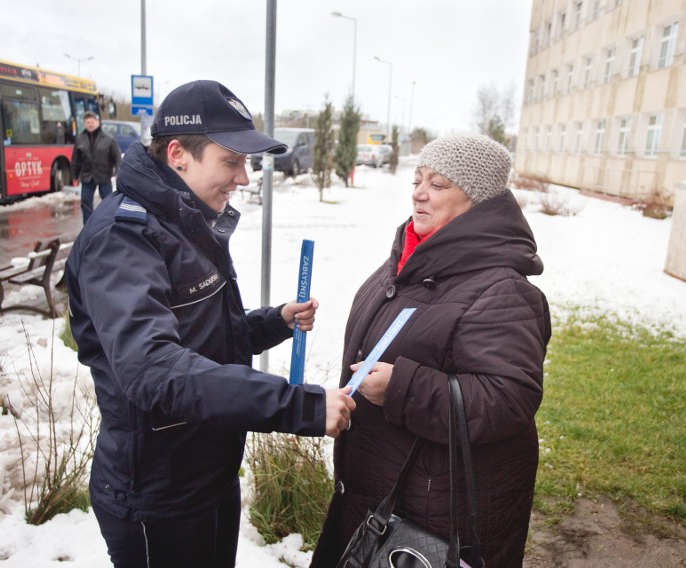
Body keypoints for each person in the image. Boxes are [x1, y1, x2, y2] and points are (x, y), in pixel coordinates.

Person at [65, 80, 356, 568]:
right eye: (231, 161)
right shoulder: (122, 238)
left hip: (207, 477)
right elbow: (154, 368)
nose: (244, 178)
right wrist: (297, 407)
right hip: (159, 497)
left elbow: (198, 335)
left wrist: (271, 322)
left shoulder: (182, 220)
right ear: (178, 153)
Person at [311, 134, 552, 567]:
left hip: (431, 516)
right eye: (418, 179)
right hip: (378, 492)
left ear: (476, 199)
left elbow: (509, 398)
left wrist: (401, 387)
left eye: (439, 185)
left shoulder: (503, 290)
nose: (419, 193)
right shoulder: (409, 262)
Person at [70, 110, 122, 224]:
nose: (90, 124)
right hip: (87, 176)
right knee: (86, 202)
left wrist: (118, 171)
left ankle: (109, 224)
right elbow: (75, 159)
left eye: (92, 121)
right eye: (87, 122)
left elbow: (117, 156)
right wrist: (74, 175)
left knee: (108, 203)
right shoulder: (80, 139)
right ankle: (88, 227)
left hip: (104, 175)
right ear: (84, 124)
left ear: (97, 122)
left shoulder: (109, 139)